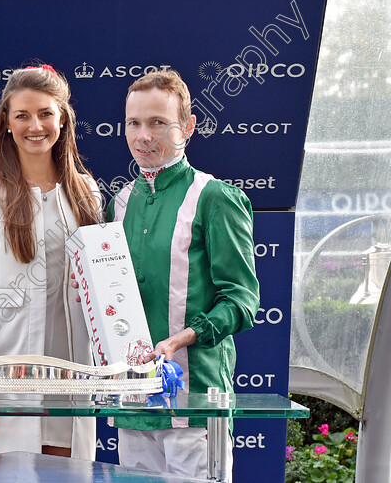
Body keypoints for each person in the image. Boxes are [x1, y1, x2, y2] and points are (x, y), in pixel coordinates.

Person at [105, 69, 260, 480]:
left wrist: (182, 338)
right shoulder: (120, 203)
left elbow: (242, 301)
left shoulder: (215, 198)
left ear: (187, 128)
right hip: (135, 403)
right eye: (133, 123)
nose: (144, 136)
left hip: (196, 403)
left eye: (159, 122)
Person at [0, 65, 100, 460]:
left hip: (70, 375)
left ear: (62, 120)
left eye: (46, 113)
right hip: (3, 382)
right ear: (7, 124)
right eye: (22, 115)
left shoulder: (86, 193)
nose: (36, 125)